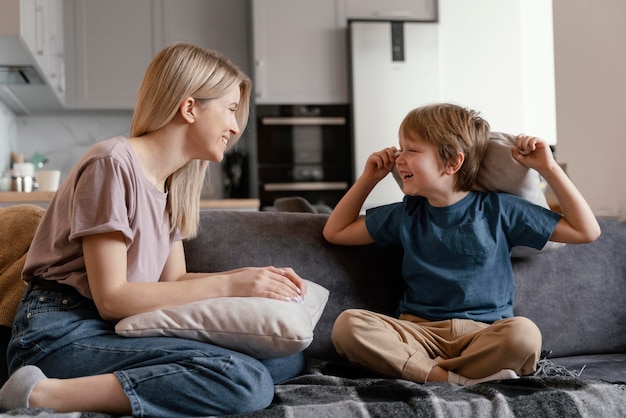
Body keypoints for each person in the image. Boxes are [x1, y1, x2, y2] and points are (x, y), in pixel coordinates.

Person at [0, 42, 308, 417]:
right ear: (190, 107)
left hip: (114, 329)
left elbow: (173, 280)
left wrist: (249, 278)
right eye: (230, 109)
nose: (235, 126)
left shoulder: (169, 185)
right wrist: (232, 286)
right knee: (246, 381)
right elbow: (112, 298)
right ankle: (40, 394)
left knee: (286, 360)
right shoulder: (112, 164)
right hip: (62, 332)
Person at [323, 103, 600, 386]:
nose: (398, 159)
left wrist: (549, 168)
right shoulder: (406, 213)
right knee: (348, 325)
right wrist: (368, 178)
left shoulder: (500, 210)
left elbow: (586, 231)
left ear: (453, 163)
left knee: (524, 334)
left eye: (411, 150)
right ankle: (459, 379)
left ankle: (427, 374)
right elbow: (337, 231)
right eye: (400, 148)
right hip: (419, 333)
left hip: (484, 334)